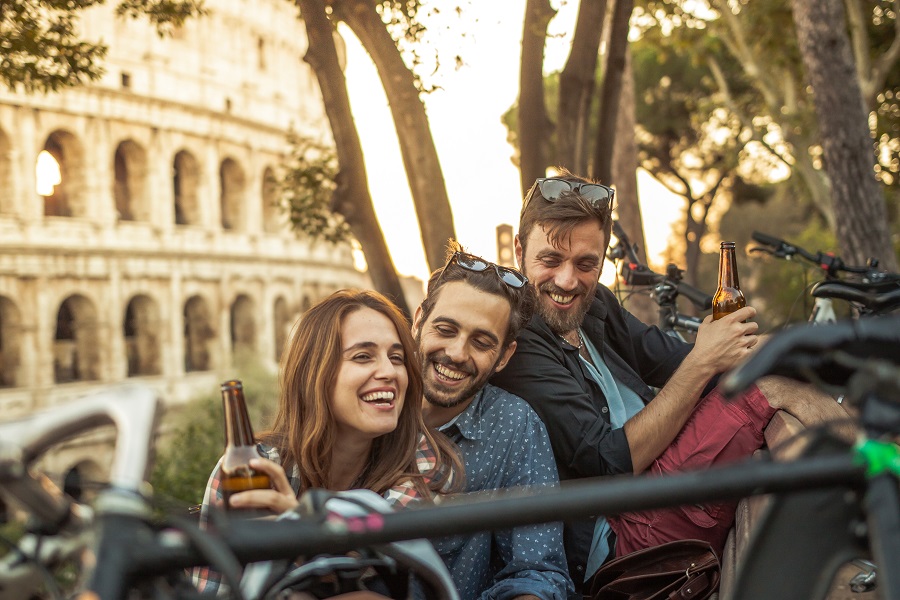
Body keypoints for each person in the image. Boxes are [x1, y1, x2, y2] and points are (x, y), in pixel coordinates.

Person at [490, 169, 852, 591]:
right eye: (550, 260)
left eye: (586, 263)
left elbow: (675, 358)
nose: (568, 281)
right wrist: (705, 360)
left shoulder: (595, 305)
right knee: (767, 392)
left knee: (778, 383)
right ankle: (880, 471)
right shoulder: (520, 341)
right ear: (519, 251)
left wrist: (797, 350)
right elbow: (610, 463)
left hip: (662, 491)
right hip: (619, 540)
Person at [193, 289, 462, 596]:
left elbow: (362, 561)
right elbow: (211, 588)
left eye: (397, 357)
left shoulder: (423, 461)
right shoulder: (251, 468)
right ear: (315, 373)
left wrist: (298, 534)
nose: (389, 372)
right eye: (363, 356)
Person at [412, 241, 574, 600]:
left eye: (482, 342)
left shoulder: (515, 425)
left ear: (504, 356)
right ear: (418, 321)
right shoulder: (368, 399)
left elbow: (538, 570)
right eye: (445, 329)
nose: (456, 353)